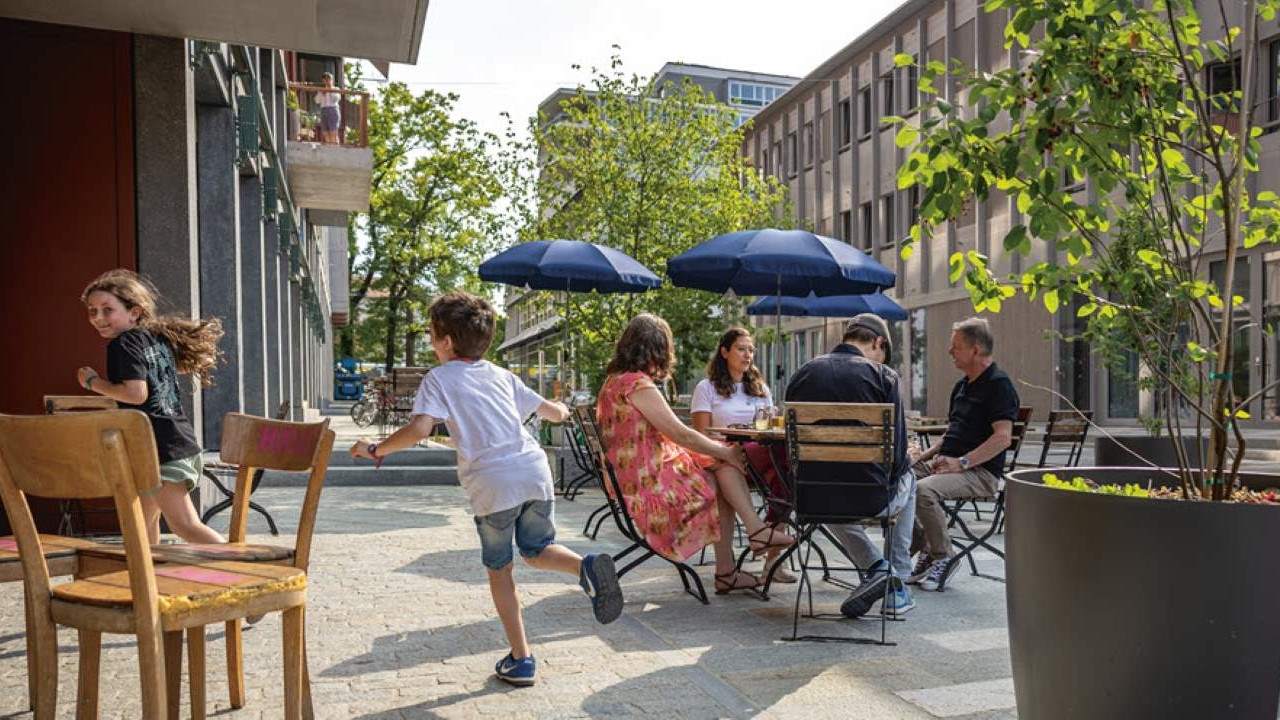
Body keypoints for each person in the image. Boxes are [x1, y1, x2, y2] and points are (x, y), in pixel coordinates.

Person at [350, 291, 622, 687]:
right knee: (537, 549)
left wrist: (377, 449)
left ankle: (522, 658)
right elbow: (552, 412)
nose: (430, 341)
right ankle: (586, 566)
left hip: (493, 483)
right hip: (534, 471)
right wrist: (563, 408)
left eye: (431, 334)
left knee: (500, 570)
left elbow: (420, 428)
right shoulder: (501, 375)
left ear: (446, 342)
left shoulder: (439, 378)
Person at [596, 314, 794, 596]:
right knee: (723, 468)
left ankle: (744, 548)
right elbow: (681, 434)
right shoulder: (637, 385)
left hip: (631, 477)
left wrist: (720, 454)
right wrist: (723, 451)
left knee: (719, 465)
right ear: (656, 349)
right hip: (647, 486)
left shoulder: (614, 382)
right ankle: (743, 549)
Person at [78, 269, 227, 546]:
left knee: (185, 527)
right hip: (173, 444)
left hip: (162, 451)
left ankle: (237, 565)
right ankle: (149, 572)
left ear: (134, 312)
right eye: (92, 311)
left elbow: (135, 394)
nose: (98, 318)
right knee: (144, 524)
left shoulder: (123, 344)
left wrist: (93, 383)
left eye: (107, 309)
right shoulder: (153, 338)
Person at [785, 314, 916, 618]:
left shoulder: (803, 373)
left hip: (811, 498)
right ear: (878, 342)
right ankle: (897, 583)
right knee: (910, 475)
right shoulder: (883, 376)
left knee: (831, 493)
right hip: (872, 499)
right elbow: (896, 456)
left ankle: (878, 568)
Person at [909, 317, 1019, 591]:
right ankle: (926, 545)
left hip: (980, 473)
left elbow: (1003, 438)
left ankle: (943, 556)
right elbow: (951, 434)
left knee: (923, 491)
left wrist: (961, 463)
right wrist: (921, 457)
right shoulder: (962, 386)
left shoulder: (999, 385)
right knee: (898, 478)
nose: (950, 351)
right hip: (948, 467)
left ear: (976, 350)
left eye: (955, 346)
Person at [689, 327, 795, 583]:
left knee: (787, 469)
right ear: (724, 352)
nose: (748, 355)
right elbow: (701, 435)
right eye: (741, 349)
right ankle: (760, 538)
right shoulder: (707, 388)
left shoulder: (760, 389)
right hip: (721, 457)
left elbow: (771, 427)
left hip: (757, 456)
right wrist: (726, 449)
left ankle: (772, 561)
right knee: (771, 464)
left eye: (751, 350)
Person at [316, 72, 341, 144]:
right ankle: (329, 146)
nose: (327, 81)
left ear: (332, 80)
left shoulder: (336, 89)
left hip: (333, 110)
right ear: (323, 81)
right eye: (325, 79)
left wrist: (330, 91)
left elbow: (336, 99)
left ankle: (335, 148)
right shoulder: (321, 90)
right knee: (325, 132)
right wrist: (322, 94)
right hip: (323, 110)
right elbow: (317, 101)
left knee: (333, 131)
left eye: (328, 79)